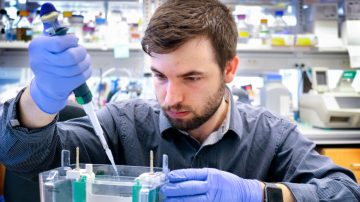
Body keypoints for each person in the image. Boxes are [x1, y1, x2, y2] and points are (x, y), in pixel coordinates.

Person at [0, 0, 359, 201]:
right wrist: (41, 98)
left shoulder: (272, 135)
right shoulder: (123, 123)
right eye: (159, 76)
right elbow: (24, 157)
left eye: (191, 77)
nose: (170, 97)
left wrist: (261, 195)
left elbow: (344, 193)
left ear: (230, 69)